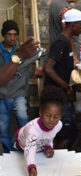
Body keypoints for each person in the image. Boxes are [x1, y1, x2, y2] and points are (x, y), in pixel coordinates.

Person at [44, 9, 81, 149]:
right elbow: (48, 68)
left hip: (62, 94)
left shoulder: (66, 41)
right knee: (69, 133)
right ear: (74, 24)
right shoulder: (61, 42)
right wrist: (67, 87)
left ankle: (54, 158)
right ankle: (55, 159)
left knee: (61, 133)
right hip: (57, 95)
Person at [0, 20, 46, 153]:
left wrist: (41, 67)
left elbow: (43, 53)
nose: (12, 38)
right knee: (3, 127)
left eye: (15, 34)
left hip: (19, 94)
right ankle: (9, 152)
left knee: (23, 119)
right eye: (9, 34)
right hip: (2, 95)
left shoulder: (24, 49)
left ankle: (24, 147)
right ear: (4, 35)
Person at [16, 86, 65, 176]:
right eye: (48, 115)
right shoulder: (33, 130)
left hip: (37, 144)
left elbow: (49, 137)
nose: (51, 120)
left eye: (56, 116)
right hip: (21, 144)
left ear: (61, 116)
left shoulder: (59, 125)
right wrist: (31, 167)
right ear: (40, 112)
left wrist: (49, 147)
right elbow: (29, 150)